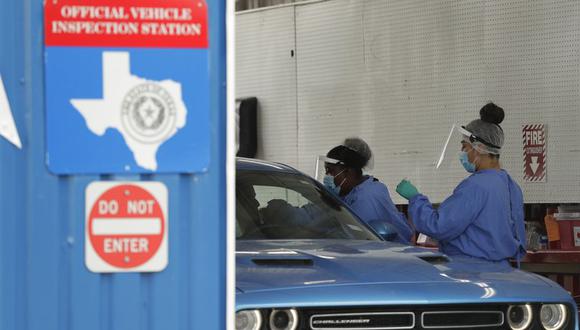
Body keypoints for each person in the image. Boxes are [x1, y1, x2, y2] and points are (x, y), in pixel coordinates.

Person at [396, 102, 526, 264]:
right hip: (502, 269)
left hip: (472, 271)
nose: (462, 154)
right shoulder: (511, 186)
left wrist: (415, 198)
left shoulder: (476, 186)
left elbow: (439, 226)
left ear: (479, 148)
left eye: (465, 147)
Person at [324, 137, 413, 244]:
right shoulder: (347, 192)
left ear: (349, 172)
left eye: (331, 171)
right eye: (326, 171)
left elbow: (354, 237)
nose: (327, 176)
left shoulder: (368, 196)